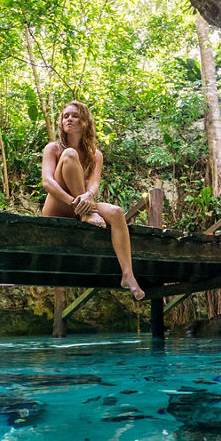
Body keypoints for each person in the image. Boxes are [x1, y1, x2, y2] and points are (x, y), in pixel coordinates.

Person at [41, 101, 145, 300]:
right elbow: (48, 182)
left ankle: (127, 274)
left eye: (75, 115)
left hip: (80, 205)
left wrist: (88, 197)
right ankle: (86, 213)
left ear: (85, 121)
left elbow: (94, 184)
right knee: (69, 154)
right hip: (59, 205)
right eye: (65, 116)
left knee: (115, 212)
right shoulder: (53, 148)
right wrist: (79, 205)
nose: (69, 119)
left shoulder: (95, 154)